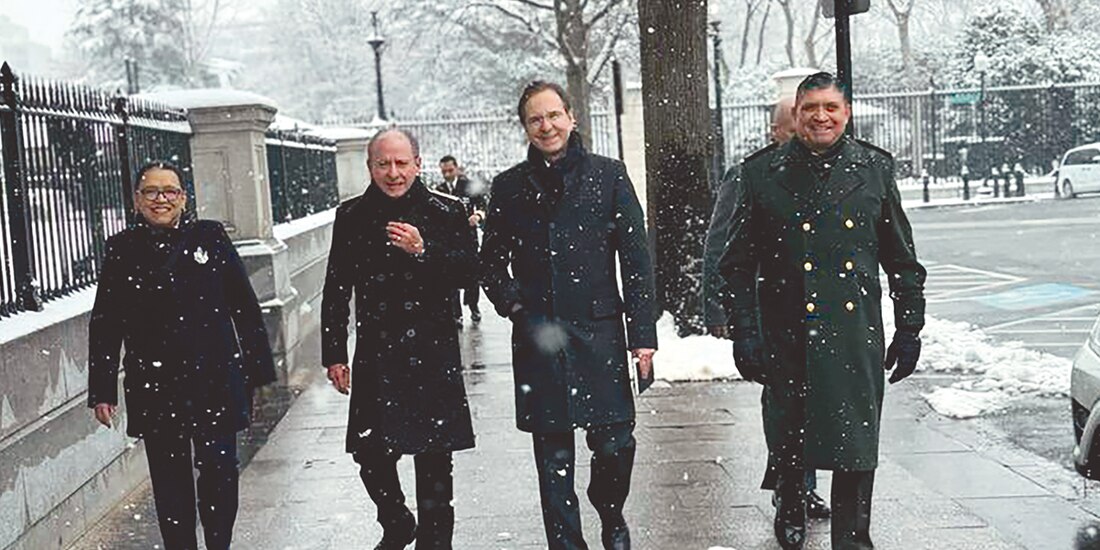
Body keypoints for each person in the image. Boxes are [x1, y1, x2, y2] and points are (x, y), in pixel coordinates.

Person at [719, 72, 926, 550]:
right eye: (810, 107)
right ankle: (790, 504)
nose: (820, 116)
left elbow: (901, 259)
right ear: (795, 114)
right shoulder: (760, 174)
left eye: (831, 107)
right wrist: (744, 334)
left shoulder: (874, 170)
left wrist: (910, 327)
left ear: (846, 113)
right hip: (786, 332)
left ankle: (853, 539)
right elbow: (736, 265)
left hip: (853, 333)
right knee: (789, 433)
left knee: (855, 446)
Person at [480, 80, 657, 550]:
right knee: (552, 459)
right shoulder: (510, 188)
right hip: (539, 338)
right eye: (536, 118)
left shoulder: (610, 175)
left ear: (571, 117)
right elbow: (490, 262)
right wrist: (517, 307)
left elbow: (637, 261)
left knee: (616, 444)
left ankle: (610, 508)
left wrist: (643, 336)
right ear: (525, 127)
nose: (547, 125)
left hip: (598, 333)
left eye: (554, 115)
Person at [87, 160, 277, 550]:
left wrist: (259, 373)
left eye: (170, 191)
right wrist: (101, 389)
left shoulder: (209, 238)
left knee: (220, 472)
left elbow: (243, 305)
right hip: (155, 383)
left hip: (215, 379)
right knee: (170, 480)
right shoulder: (122, 248)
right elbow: (106, 322)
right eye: (151, 192)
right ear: (137, 200)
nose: (161, 199)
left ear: (183, 197)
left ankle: (219, 542)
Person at [321, 128, 477, 550]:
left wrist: (424, 250)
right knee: (370, 454)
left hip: (432, 353)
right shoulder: (351, 216)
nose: (393, 173)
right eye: (383, 164)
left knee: (434, 464)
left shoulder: (448, 210)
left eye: (401, 163)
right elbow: (336, 288)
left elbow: (469, 273)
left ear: (418, 164)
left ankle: (435, 542)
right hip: (378, 352)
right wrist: (334, 353)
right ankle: (396, 520)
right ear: (370, 167)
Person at [701, 96, 831, 521]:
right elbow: (719, 245)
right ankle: (792, 486)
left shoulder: (827, 173)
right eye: (793, 131)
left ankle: (798, 482)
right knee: (784, 400)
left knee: (813, 399)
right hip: (766, 305)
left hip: (814, 308)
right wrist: (720, 311)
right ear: (777, 131)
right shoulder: (748, 176)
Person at [437, 155, 487, 326]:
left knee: (472, 275)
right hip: (449, 240)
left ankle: (473, 306)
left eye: (450, 170)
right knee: (450, 277)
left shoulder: (468, 186)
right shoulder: (439, 190)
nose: (447, 174)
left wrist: (477, 216)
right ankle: (455, 313)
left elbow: (482, 204)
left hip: (468, 238)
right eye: (444, 171)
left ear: (457, 168)